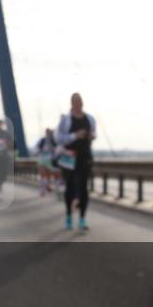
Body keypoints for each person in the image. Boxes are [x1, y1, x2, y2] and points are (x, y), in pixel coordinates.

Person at [55, 95, 97, 231]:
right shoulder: (65, 120)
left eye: (80, 102)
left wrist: (91, 136)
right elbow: (59, 138)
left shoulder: (90, 119)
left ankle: (82, 219)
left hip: (85, 156)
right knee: (70, 188)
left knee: (84, 189)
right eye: (76, 102)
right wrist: (75, 135)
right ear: (72, 104)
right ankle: (68, 216)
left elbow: (94, 134)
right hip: (69, 157)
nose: (79, 104)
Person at [34, 128, 59, 196]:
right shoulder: (47, 141)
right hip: (48, 160)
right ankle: (46, 190)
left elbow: (35, 151)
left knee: (45, 176)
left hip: (46, 160)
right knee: (46, 176)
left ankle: (44, 189)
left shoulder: (44, 140)